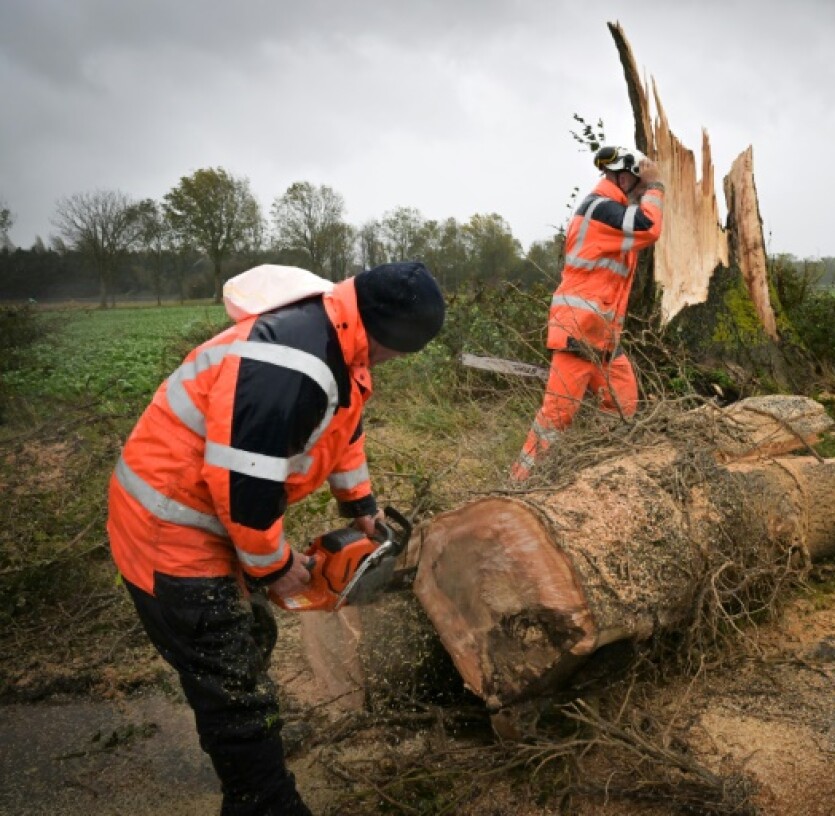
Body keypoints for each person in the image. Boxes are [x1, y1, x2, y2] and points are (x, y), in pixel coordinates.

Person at [107, 261, 446, 815]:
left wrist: (359, 504)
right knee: (232, 684)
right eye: (399, 351)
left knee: (248, 642)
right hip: (167, 530)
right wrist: (273, 566)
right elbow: (244, 484)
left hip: (210, 519)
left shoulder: (343, 341)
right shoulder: (290, 361)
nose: (394, 362)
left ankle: (244, 747)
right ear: (386, 333)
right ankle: (263, 800)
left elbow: (347, 429)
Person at [510, 144, 665, 481]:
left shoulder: (611, 209)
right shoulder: (601, 209)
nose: (641, 190)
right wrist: (655, 186)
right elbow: (648, 226)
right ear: (624, 177)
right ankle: (520, 483)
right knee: (557, 416)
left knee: (622, 403)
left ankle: (600, 474)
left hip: (602, 334)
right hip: (579, 330)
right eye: (636, 183)